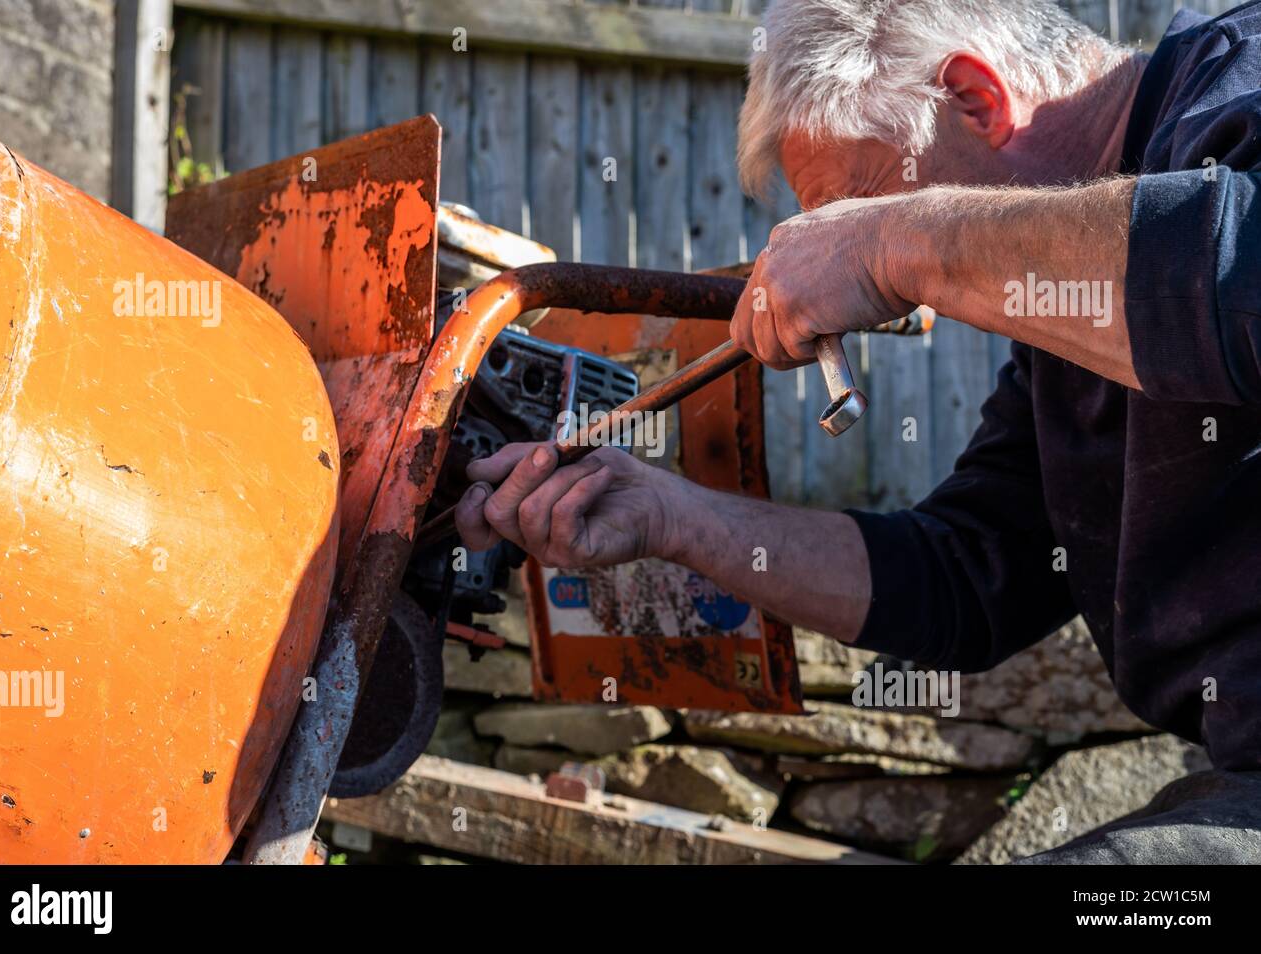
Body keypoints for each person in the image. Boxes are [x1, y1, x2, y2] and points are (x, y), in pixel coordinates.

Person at [456, 0, 1261, 862]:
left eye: (863, 201)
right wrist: (668, 517)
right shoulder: (1059, 331)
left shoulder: (1242, 81)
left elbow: (1236, 271)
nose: (891, 288)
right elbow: (965, 579)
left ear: (973, 96)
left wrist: (891, 243)